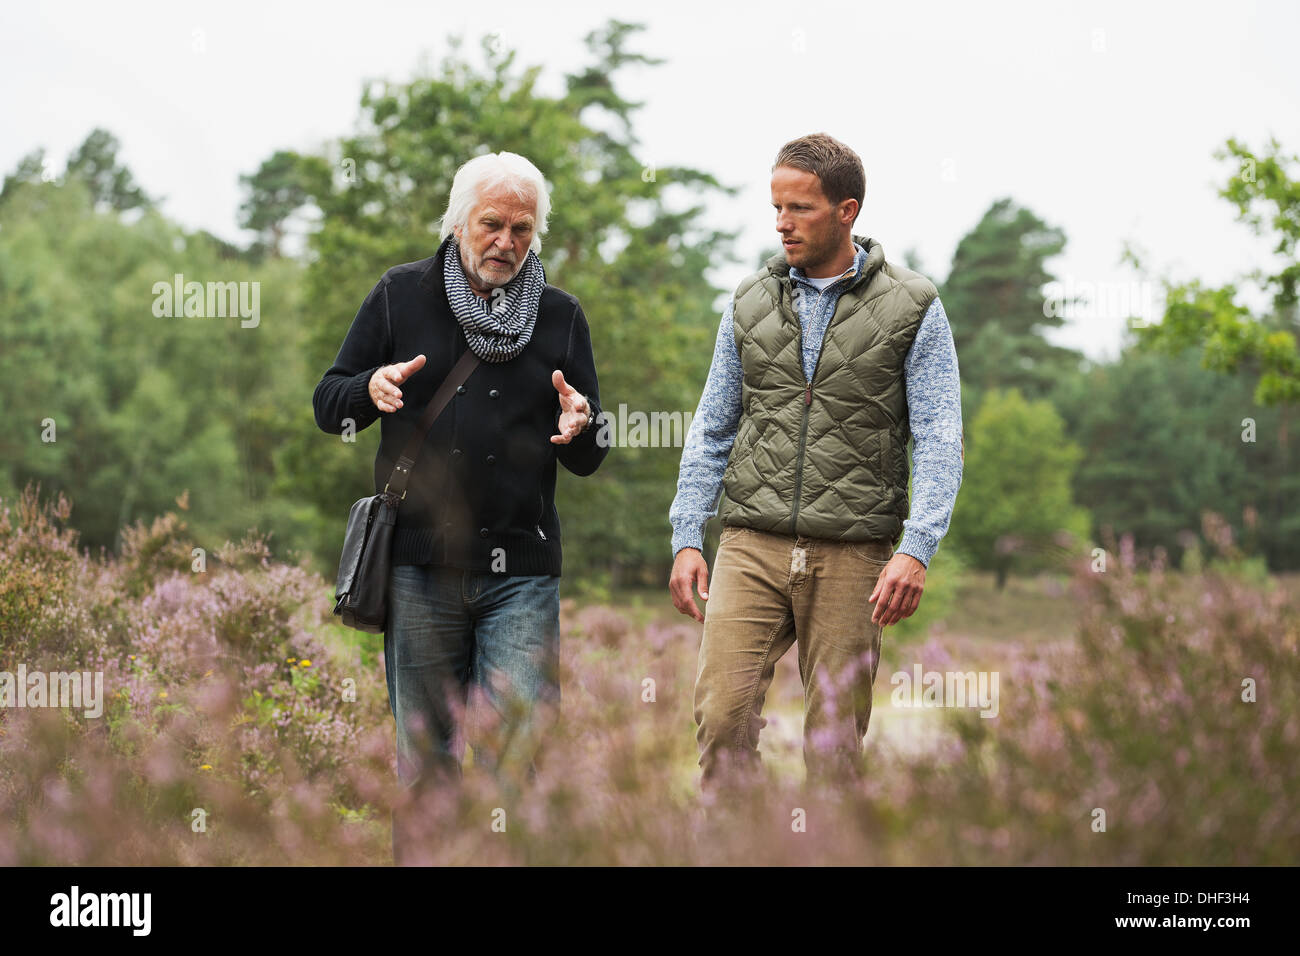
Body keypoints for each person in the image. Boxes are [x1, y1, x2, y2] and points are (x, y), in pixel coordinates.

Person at [668, 132, 964, 789]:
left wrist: (916, 548)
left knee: (833, 750)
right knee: (723, 721)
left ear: (846, 210)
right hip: (751, 542)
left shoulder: (914, 306)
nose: (782, 224)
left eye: (799, 208)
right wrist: (687, 535)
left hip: (854, 552)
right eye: (776, 208)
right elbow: (712, 426)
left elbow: (941, 435)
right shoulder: (748, 302)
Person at [313, 151, 609, 804]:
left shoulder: (561, 316)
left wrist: (585, 425)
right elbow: (327, 404)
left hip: (523, 579)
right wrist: (369, 386)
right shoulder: (400, 294)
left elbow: (591, 453)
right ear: (458, 222)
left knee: (517, 764)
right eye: (492, 224)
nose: (506, 242)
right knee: (425, 770)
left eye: (522, 229)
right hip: (419, 572)